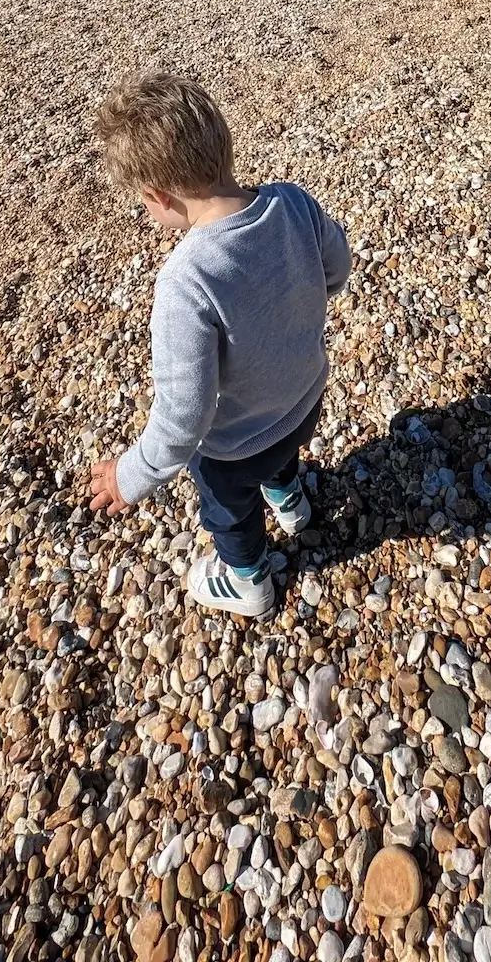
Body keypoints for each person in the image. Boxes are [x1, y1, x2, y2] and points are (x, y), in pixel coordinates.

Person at [88, 71, 349, 617]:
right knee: (283, 453)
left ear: (158, 197)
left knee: (229, 510)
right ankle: (290, 499)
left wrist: (131, 475)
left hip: (234, 445)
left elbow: (183, 419)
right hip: (303, 397)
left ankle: (248, 579)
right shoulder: (293, 203)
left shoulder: (186, 282)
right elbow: (336, 268)